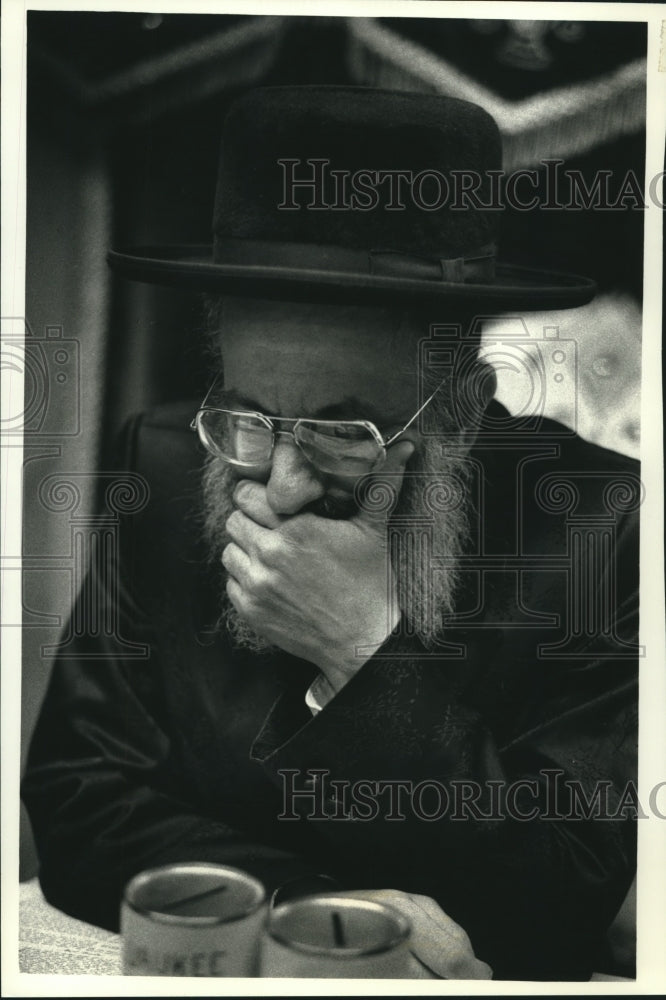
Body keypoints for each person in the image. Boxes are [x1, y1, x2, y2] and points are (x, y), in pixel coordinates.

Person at [22, 87, 639, 981]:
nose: (277, 483)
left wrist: (366, 655)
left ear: (458, 406)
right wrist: (310, 909)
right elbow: (79, 795)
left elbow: (561, 903)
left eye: (343, 435)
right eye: (246, 415)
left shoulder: (599, 523)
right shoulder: (157, 461)